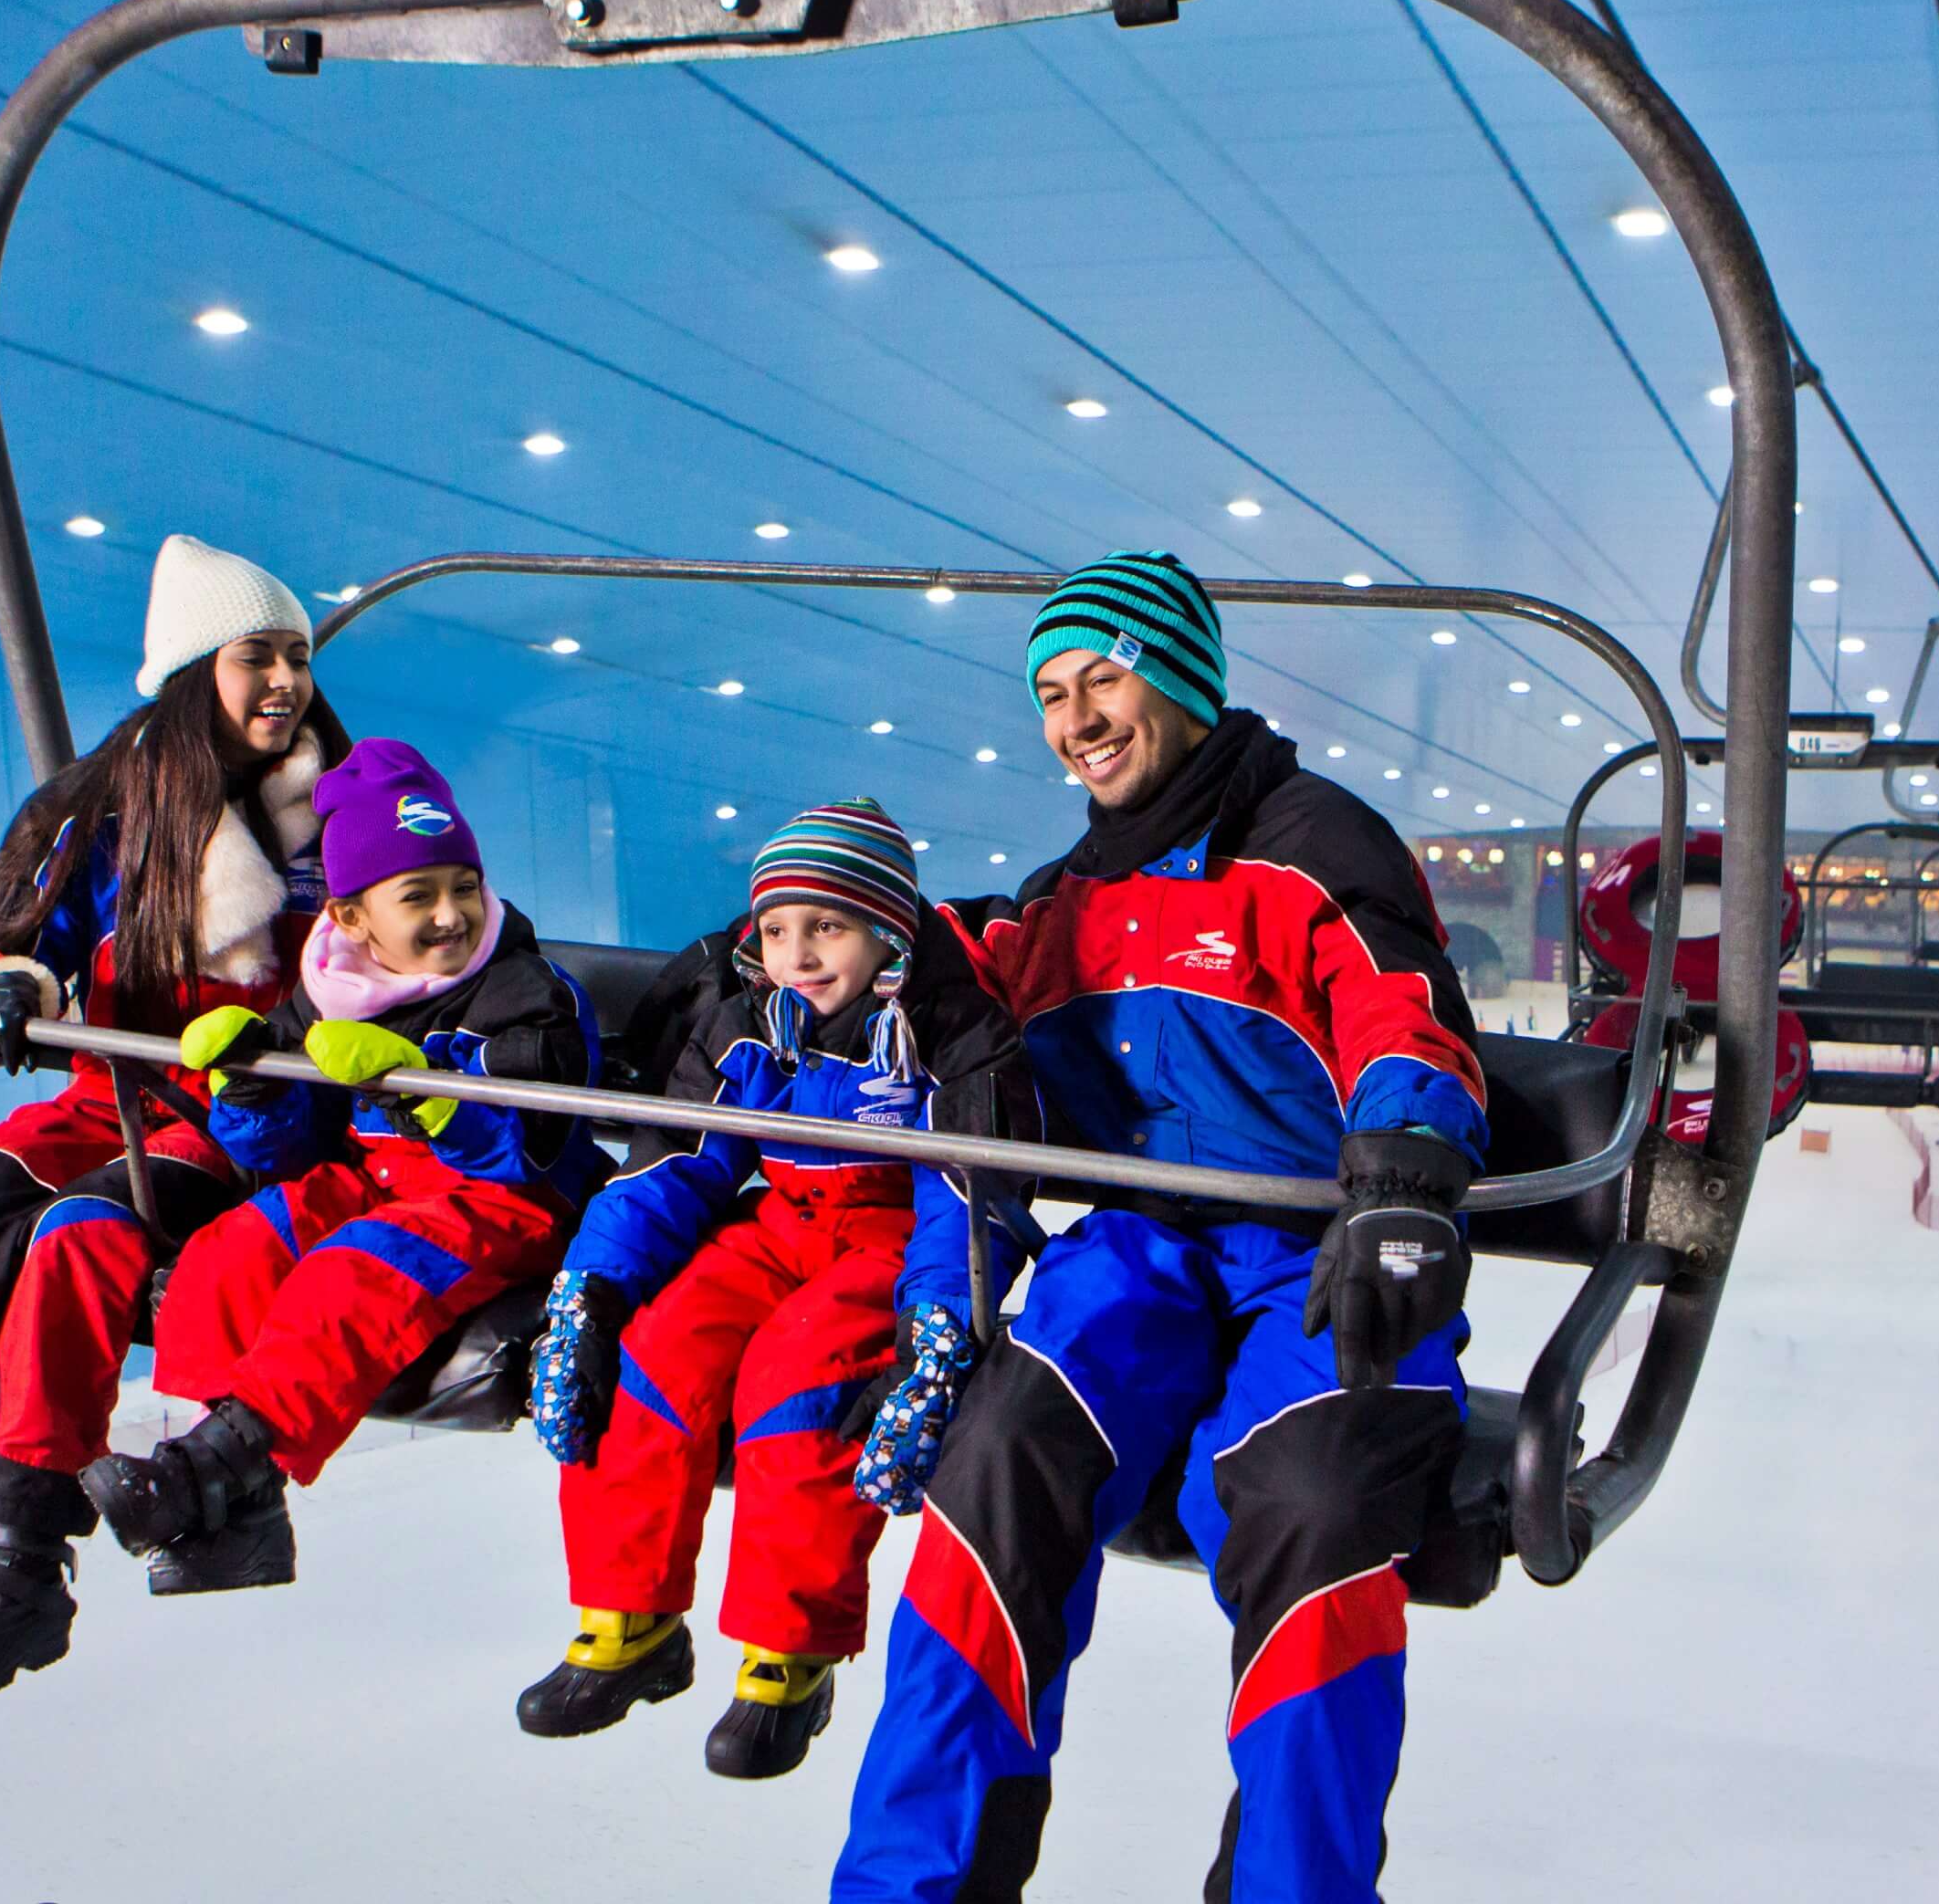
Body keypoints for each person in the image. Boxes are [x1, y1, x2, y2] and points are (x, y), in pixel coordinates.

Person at [834, 552, 1489, 1904]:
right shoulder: (1063, 900)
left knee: (1315, 1507)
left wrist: (1408, 1176)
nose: (1076, 720)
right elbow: (965, 1039)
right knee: (997, 1457)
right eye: (1051, 696)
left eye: (1104, 678)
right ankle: (918, 1884)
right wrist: (834, 934)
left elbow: (1397, 1009)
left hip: (1319, 1247)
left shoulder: (1310, 842)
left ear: (1179, 677)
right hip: (1140, 1249)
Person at [0, 535, 339, 1724]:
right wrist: (11, 982)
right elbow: (27, 927)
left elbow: (373, 958)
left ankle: (22, 1551)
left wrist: (287, 1047)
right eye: (254, 659)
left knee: (79, 1236)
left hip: (236, 1110)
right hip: (107, 1090)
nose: (284, 684)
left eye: (296, 658)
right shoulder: (113, 809)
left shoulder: (328, 805)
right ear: (189, 674)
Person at [519, 800, 1037, 1782]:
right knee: (655, 1354)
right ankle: (627, 1618)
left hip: (891, 1237)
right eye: (778, 928)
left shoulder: (945, 1028)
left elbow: (968, 1193)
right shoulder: (748, 1015)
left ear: (889, 926)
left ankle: (786, 1656)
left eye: (828, 927)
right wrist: (590, 1290)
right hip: (780, 1220)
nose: (798, 954)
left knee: (798, 1387)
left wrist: (937, 1327)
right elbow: (676, 1160)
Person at [75, 738, 606, 1595]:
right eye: (418, 896)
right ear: (354, 917)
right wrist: (249, 1090)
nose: (451, 915)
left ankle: (217, 1465)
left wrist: (426, 1097)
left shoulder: (523, 988)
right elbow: (282, 1152)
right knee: (230, 1253)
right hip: (379, 1181)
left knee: (346, 1277)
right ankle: (243, 1516)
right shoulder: (328, 984)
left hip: (507, 1202)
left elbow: (536, 1136)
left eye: (463, 887)